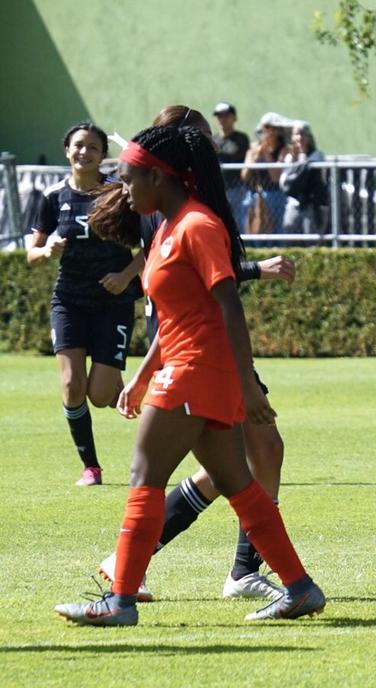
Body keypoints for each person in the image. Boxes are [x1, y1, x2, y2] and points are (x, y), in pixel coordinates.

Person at [54, 124, 324, 626]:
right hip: (190, 368)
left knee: (143, 474)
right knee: (237, 482)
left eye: (131, 178)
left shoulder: (197, 225)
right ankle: (300, 588)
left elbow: (228, 308)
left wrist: (246, 385)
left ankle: (120, 601)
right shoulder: (169, 224)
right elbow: (178, 314)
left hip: (195, 373)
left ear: (159, 177)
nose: (125, 189)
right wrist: (140, 376)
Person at [27, 122, 143, 487]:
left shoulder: (119, 193)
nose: (84, 152)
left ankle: (118, 387)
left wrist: (126, 275)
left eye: (93, 147)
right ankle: (91, 467)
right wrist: (47, 250)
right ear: (67, 151)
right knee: (72, 386)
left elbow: (153, 243)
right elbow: (32, 252)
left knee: (98, 395)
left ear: (102, 155)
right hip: (69, 300)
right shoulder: (52, 197)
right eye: (78, 146)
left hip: (113, 301)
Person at [241, 113, 289, 235]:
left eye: (275, 128)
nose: (271, 132)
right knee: (250, 226)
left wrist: (267, 155)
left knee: (276, 228)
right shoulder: (253, 148)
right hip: (253, 194)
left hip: (275, 194)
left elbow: (275, 178)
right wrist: (254, 157)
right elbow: (244, 176)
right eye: (267, 128)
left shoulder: (283, 150)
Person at [280, 121, 328, 235]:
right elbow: (284, 182)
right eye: (296, 134)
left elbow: (308, 175)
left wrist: (301, 161)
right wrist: (294, 159)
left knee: (312, 238)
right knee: (290, 236)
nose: (300, 138)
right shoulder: (289, 157)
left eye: (303, 134)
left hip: (312, 205)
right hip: (294, 203)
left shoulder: (316, 155)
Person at [212, 102, 250, 233]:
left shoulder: (241, 138)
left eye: (226, 116)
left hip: (236, 188)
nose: (222, 119)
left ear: (234, 118)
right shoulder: (213, 139)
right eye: (219, 116)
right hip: (217, 188)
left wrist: (218, 151)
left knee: (238, 221)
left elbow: (235, 153)